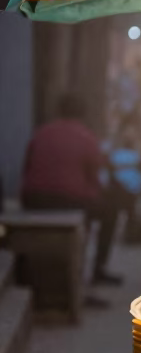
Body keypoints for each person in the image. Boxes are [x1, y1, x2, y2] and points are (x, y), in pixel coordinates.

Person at [21, 93, 126, 285]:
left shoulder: (42, 132)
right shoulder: (87, 138)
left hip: (33, 199)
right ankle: (98, 269)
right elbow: (94, 179)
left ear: (58, 110)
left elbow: (27, 168)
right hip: (68, 200)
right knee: (110, 211)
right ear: (83, 114)